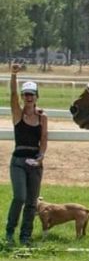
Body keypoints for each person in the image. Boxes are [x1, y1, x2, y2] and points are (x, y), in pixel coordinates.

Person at [5, 63, 48, 246]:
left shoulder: (42, 117)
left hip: (35, 163)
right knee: (20, 197)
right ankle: (9, 232)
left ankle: (25, 236)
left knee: (31, 202)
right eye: (26, 94)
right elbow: (12, 96)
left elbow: (44, 139)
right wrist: (14, 75)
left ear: (36, 96)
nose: (28, 97)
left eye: (31, 94)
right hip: (18, 161)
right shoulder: (17, 114)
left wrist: (41, 157)